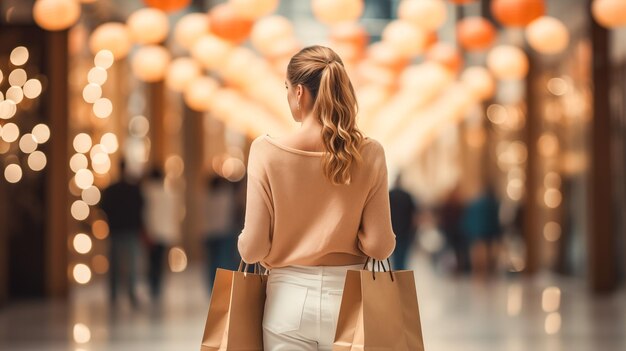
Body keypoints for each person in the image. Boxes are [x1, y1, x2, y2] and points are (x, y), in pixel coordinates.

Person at [237, 45, 396, 351]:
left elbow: (253, 248)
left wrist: (246, 239)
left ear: (299, 92)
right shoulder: (369, 152)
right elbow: (380, 245)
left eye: (286, 88)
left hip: (287, 303)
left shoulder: (265, 151)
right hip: (352, 300)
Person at [100, 160, 144, 307]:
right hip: (129, 230)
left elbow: (103, 207)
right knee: (130, 264)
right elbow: (141, 209)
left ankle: (114, 294)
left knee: (115, 264)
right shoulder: (134, 189)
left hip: (116, 230)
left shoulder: (111, 190)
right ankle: (130, 293)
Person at [142, 168, 181, 301]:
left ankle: (154, 287)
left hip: (153, 232)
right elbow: (173, 214)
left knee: (152, 261)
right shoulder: (168, 193)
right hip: (165, 232)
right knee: (159, 261)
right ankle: (157, 287)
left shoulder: (147, 192)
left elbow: (146, 215)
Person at [201, 174, 240, 292]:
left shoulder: (206, 197)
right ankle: (223, 289)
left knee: (211, 263)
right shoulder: (227, 196)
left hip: (209, 234)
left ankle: (212, 288)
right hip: (224, 233)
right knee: (224, 263)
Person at [389, 174, 418, 270]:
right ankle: (402, 276)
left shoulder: (389, 194)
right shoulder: (407, 196)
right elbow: (414, 216)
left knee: (394, 257)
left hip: (392, 231)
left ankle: (395, 277)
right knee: (403, 257)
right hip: (406, 231)